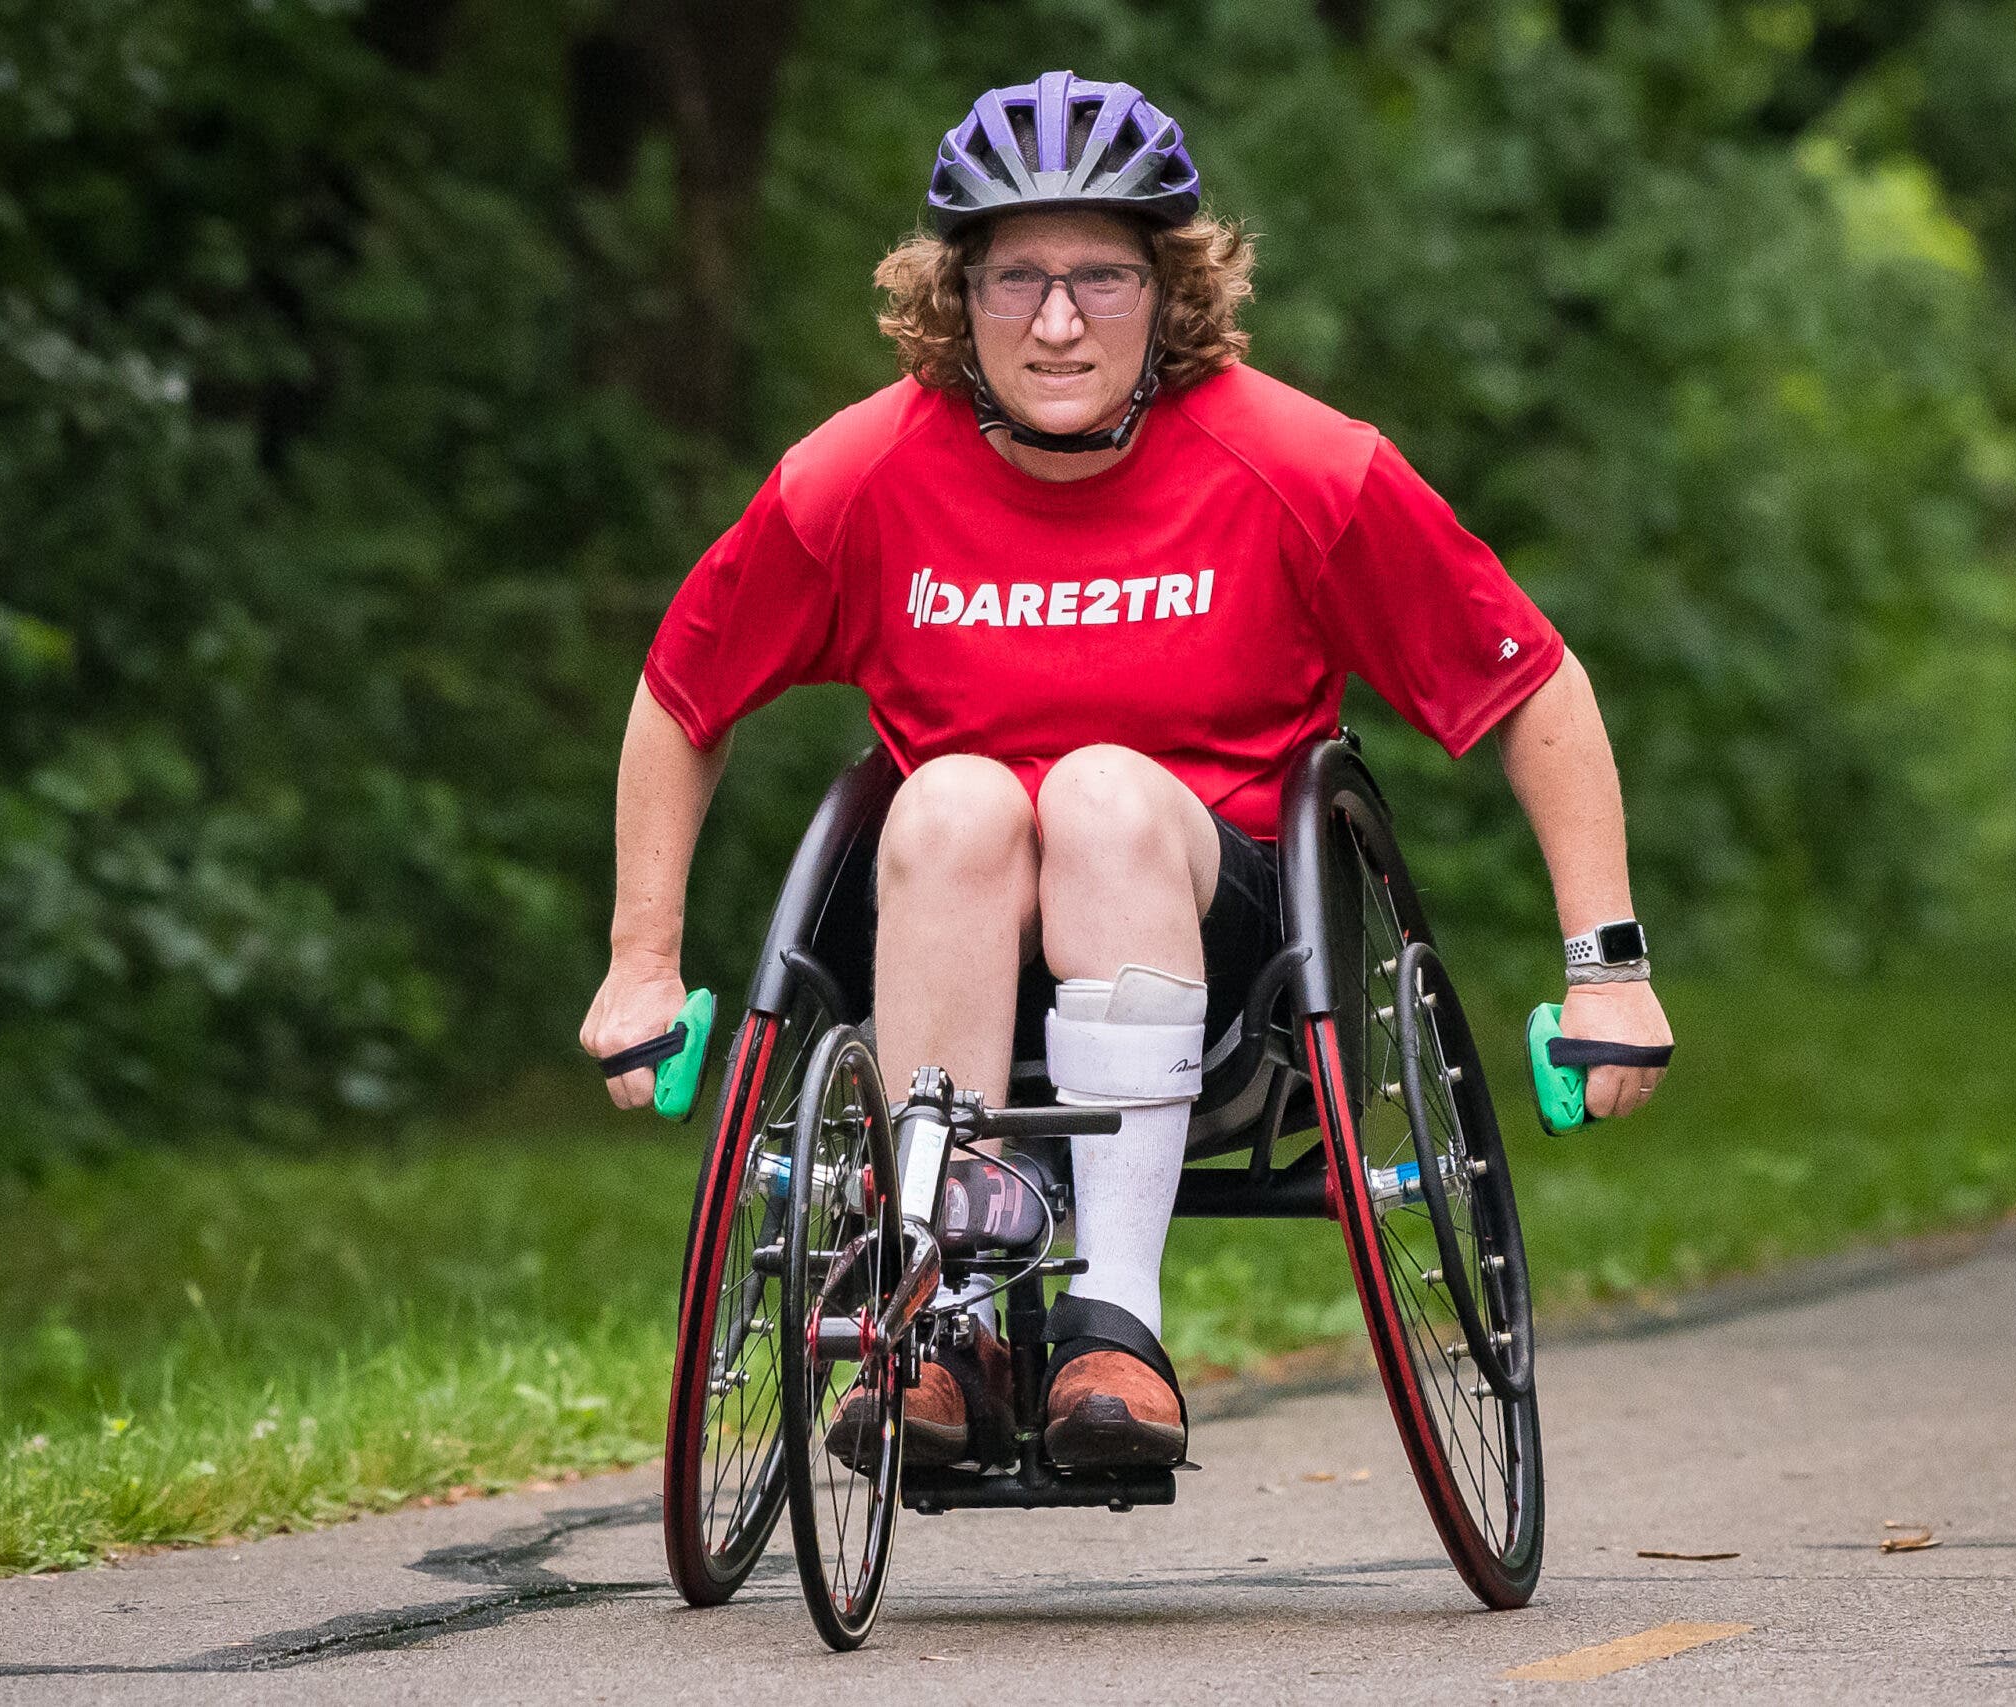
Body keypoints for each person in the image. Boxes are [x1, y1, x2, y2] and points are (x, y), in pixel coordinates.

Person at [581, 71, 1672, 1472]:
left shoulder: (1301, 467)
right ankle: (943, 1321)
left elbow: (1531, 688)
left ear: (1170, 290)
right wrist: (639, 962)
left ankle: (1118, 1327)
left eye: (1099, 278)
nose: (1053, 320)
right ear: (952, 293)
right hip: (942, 933)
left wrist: (1609, 964)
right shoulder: (857, 478)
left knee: (1096, 791)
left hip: (1224, 942)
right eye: (1014, 277)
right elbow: (683, 695)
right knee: (962, 793)